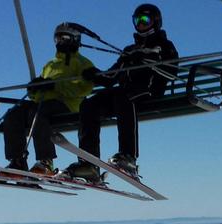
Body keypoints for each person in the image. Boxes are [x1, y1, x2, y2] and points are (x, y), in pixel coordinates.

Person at [65, 4, 178, 182]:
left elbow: (171, 72)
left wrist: (146, 60)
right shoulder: (129, 50)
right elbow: (112, 77)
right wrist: (95, 75)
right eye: (137, 20)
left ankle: (128, 157)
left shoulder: (164, 45)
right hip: (124, 93)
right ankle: (88, 164)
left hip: (149, 91)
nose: (140, 24)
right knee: (89, 104)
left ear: (155, 22)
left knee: (123, 96)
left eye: (145, 20)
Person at [0, 23, 95, 177]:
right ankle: (17, 161)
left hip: (68, 104)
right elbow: (39, 96)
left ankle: (46, 161)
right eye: (57, 38)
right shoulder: (50, 65)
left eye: (63, 38)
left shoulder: (82, 63)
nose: (60, 42)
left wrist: (56, 86)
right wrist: (35, 89)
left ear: (74, 39)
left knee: (37, 112)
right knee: (13, 114)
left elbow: (84, 88)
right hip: (44, 104)